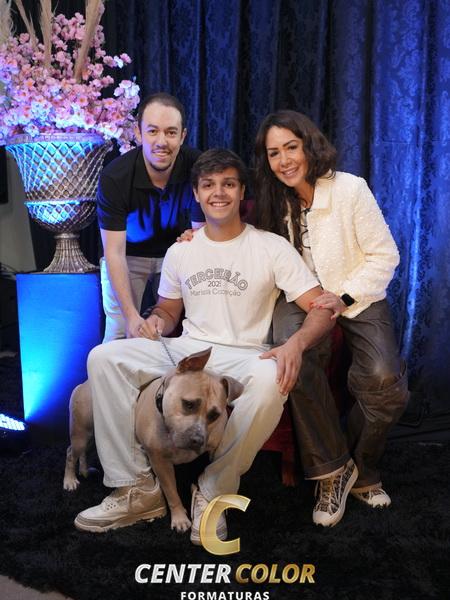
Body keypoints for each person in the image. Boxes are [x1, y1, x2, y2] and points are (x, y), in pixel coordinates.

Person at [74, 149, 335, 543]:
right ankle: (136, 486)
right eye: (208, 185)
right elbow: (168, 309)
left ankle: (213, 488)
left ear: (242, 191)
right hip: (189, 351)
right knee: (104, 357)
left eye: (228, 184)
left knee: (272, 379)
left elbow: (321, 307)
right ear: (196, 194)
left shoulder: (271, 247)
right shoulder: (182, 250)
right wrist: (156, 322)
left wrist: (296, 345)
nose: (219, 193)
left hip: (246, 353)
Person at [253, 110, 409, 527]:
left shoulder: (349, 189)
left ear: (309, 145)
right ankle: (332, 471)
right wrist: (195, 234)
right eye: (273, 153)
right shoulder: (271, 199)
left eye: (291, 147)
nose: (284, 160)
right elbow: (240, 234)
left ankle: (361, 467)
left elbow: (385, 255)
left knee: (384, 379)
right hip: (299, 296)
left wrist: (343, 297)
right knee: (294, 357)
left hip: (357, 294)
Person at [97, 92, 205, 341]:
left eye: (171, 132)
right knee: (120, 331)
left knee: (188, 329)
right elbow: (113, 252)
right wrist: (130, 316)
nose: (161, 141)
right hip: (128, 255)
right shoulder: (115, 177)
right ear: (138, 133)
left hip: (176, 253)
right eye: (153, 131)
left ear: (182, 136)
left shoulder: (197, 167)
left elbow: (201, 236)